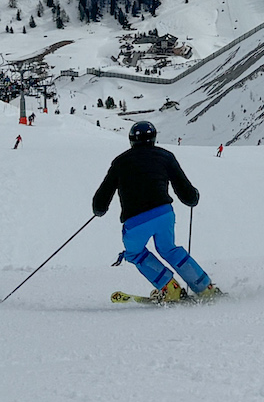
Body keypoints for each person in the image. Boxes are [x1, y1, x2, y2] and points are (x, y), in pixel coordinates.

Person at [92, 119, 217, 300]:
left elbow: (102, 198)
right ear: (154, 139)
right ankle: (205, 287)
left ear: (131, 140)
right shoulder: (165, 156)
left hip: (135, 221)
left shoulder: (120, 162)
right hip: (163, 214)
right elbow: (184, 190)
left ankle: (169, 287)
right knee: (169, 249)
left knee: (135, 253)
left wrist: (99, 209)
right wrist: (192, 198)